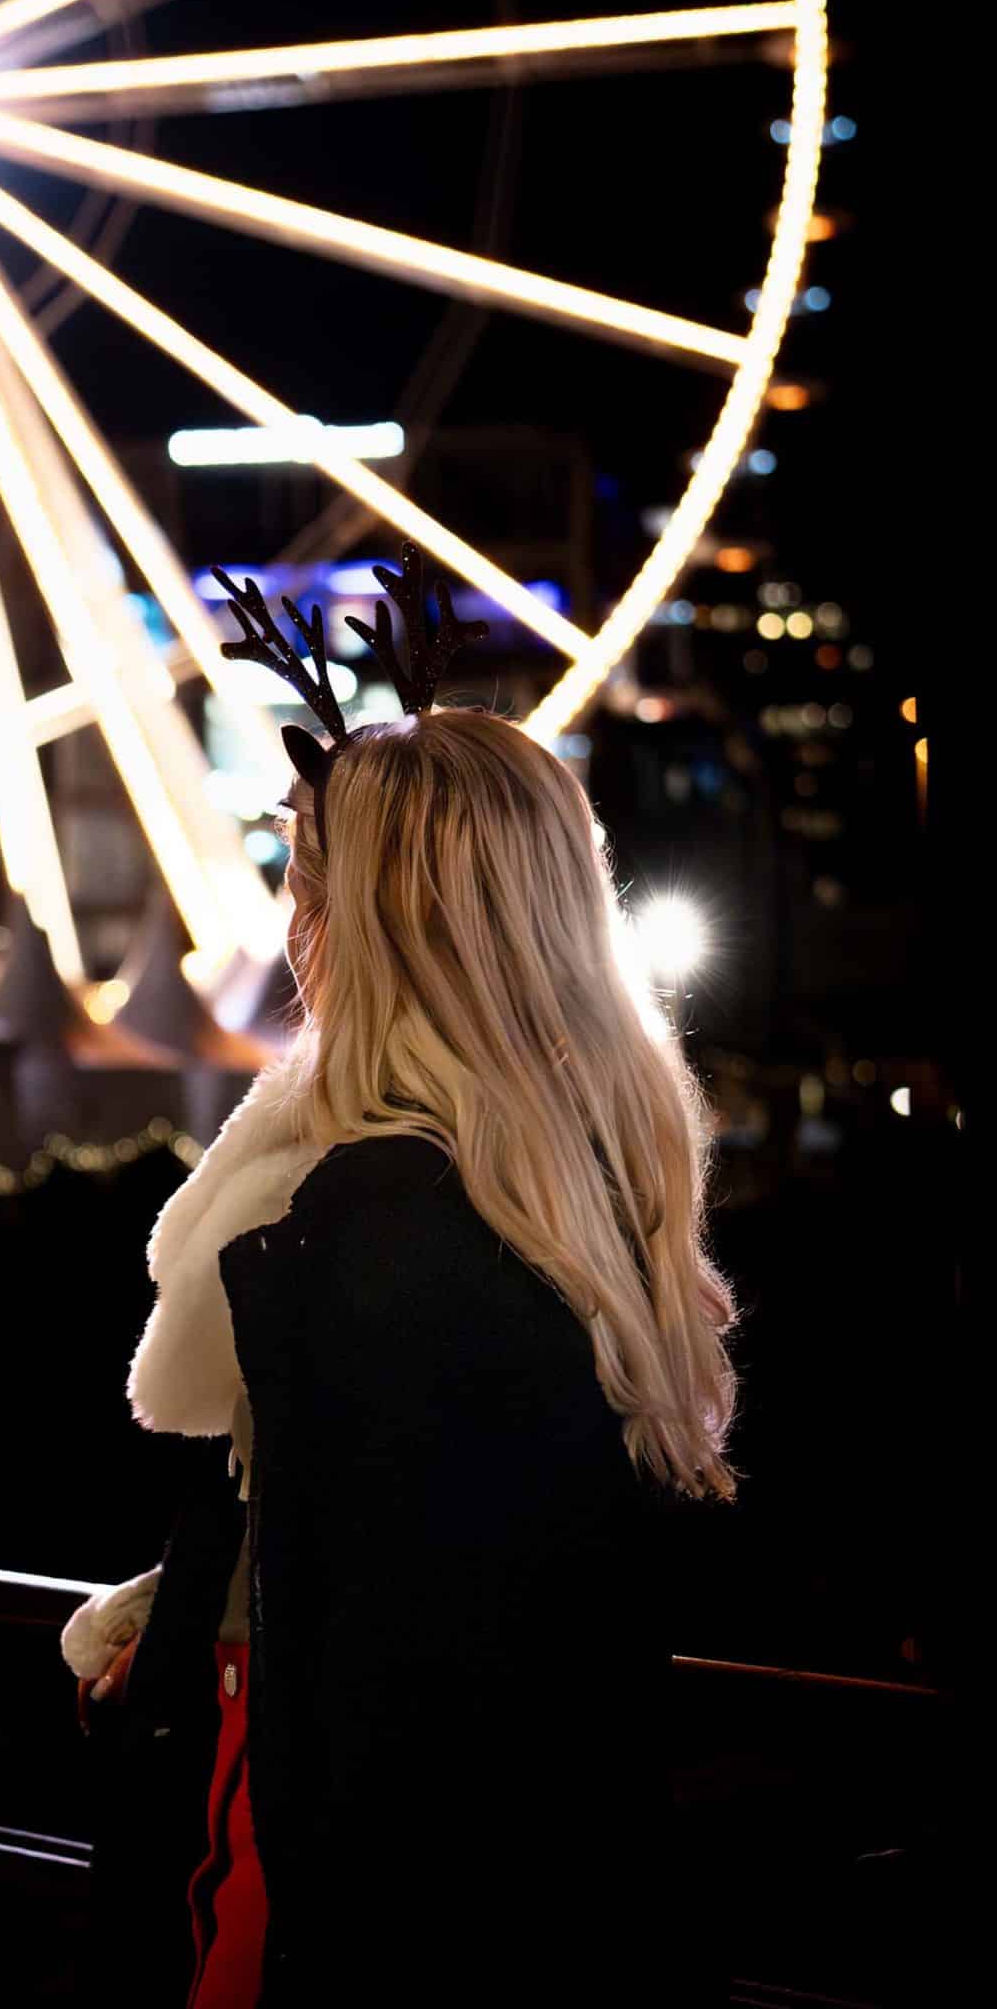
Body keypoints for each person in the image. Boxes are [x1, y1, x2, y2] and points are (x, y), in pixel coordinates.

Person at [62, 556, 741, 2006]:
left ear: (362, 924)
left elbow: (380, 1664)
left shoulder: (368, 1239)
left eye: (304, 882)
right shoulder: (583, 1192)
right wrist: (188, 1607)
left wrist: (199, 1658)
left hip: (339, 1897)